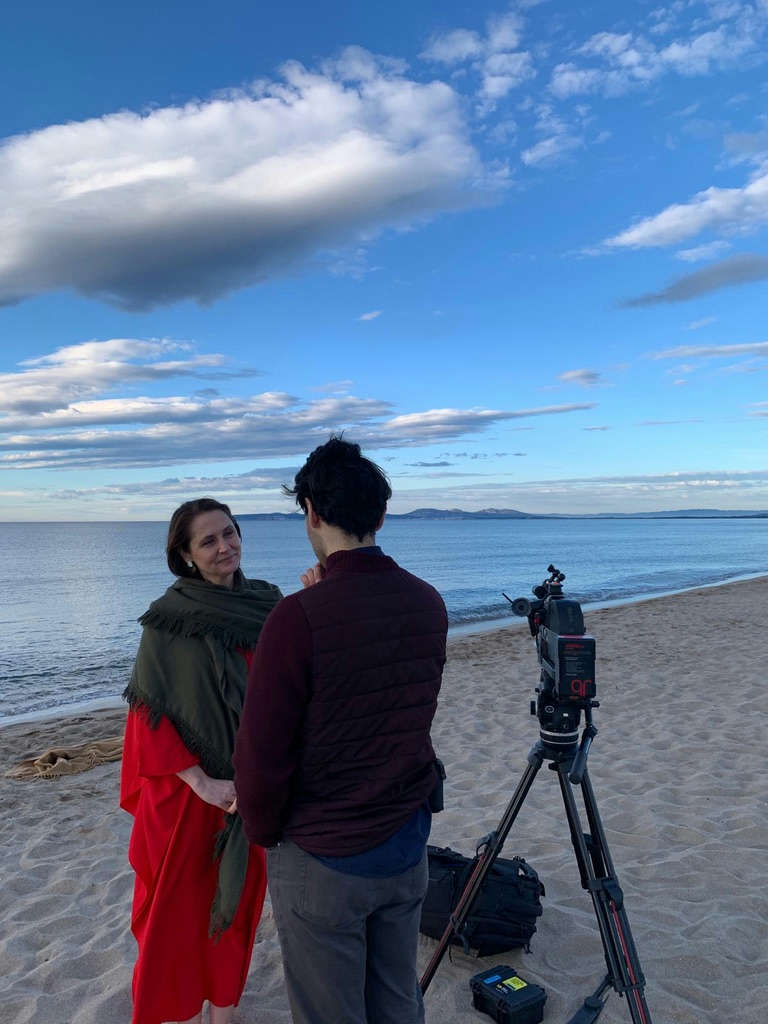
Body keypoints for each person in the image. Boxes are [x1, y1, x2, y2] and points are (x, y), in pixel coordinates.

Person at [233, 437, 448, 1024]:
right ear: (381, 514)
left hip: (324, 851)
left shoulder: (297, 618)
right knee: (398, 999)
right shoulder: (426, 602)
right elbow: (382, 694)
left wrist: (266, 831)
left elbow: (261, 753)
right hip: (405, 840)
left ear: (311, 512)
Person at [120, 498, 282, 1024]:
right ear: (186, 555)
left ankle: (224, 1017)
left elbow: (289, 688)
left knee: (236, 910)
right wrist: (203, 783)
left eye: (229, 533)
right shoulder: (166, 621)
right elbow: (147, 713)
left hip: (247, 790)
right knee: (178, 918)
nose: (224, 547)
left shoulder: (268, 605)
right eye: (208, 541)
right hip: (186, 798)